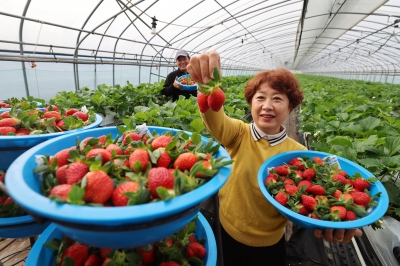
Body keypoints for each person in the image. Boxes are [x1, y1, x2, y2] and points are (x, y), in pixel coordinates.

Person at [187, 50, 363, 266]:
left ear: (291, 107)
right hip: (226, 230)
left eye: (277, 99)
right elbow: (215, 118)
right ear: (251, 104)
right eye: (260, 98)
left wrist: (335, 222)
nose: (267, 105)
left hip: (269, 243)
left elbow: (319, 195)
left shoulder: (297, 154)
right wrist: (205, 89)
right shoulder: (238, 134)